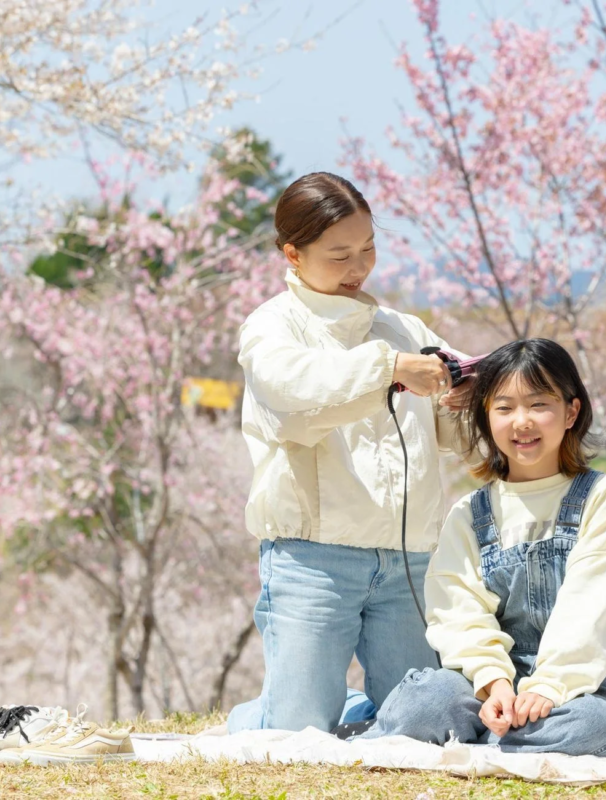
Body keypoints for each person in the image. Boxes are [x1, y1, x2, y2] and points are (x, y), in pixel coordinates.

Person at [227, 172, 471, 733]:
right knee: (295, 731)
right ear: (293, 253)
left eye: (368, 249)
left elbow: (455, 430)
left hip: (407, 557)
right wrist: (388, 368)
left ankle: (357, 719)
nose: (358, 268)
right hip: (315, 559)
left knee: (422, 721)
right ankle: (257, 717)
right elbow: (294, 391)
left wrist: (466, 395)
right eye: (339, 256)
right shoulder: (272, 326)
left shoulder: (403, 329)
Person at [358, 338, 606, 755]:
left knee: (595, 725)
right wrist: (494, 683)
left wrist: (547, 687)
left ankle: (479, 740)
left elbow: (592, 605)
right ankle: (504, 738)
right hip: (491, 687)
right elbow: (457, 611)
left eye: (539, 405)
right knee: (423, 704)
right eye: (504, 407)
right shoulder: (471, 513)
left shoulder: (605, 497)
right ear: (486, 417)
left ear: (571, 412)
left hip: (582, 683)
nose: (521, 422)